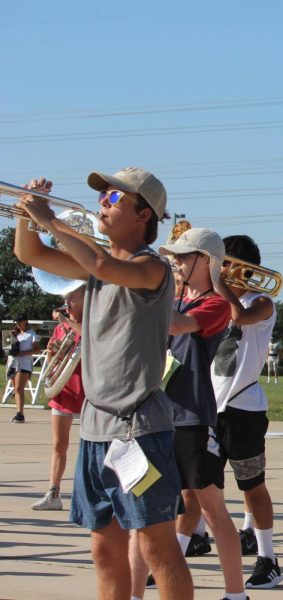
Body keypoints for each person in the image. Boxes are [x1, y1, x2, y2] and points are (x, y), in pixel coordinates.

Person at [13, 169, 193, 599]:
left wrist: (51, 221)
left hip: (139, 428)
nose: (103, 202)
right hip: (96, 427)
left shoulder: (152, 267)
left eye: (114, 196)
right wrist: (26, 211)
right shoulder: (95, 267)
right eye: (103, 195)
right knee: (103, 547)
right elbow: (29, 255)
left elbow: (102, 264)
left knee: (156, 546)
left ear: (144, 213)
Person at [130, 227, 247, 600]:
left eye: (182, 256)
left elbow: (175, 325)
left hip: (192, 419)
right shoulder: (176, 298)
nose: (176, 262)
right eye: (175, 257)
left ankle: (235, 594)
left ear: (206, 262)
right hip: (155, 417)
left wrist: (152, 285)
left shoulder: (213, 304)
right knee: (143, 516)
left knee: (214, 511)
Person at [211, 234, 283, 589]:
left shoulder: (263, 301)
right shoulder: (210, 300)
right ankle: (178, 548)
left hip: (243, 409)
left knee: (253, 487)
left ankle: (268, 557)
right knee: (195, 489)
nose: (218, 270)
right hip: (208, 408)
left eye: (224, 263)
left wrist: (219, 285)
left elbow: (239, 316)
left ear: (242, 268)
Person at [31, 286, 86, 511]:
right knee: (58, 444)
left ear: (85, 297)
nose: (68, 300)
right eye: (66, 296)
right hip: (64, 390)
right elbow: (54, 356)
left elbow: (92, 337)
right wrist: (53, 350)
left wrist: (68, 322)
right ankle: (53, 493)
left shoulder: (93, 320)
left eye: (72, 296)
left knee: (89, 446)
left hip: (88, 392)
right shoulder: (61, 328)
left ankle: (89, 495)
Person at [7, 314, 40, 423]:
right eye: (16, 322)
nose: (17, 324)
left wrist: (22, 353)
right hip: (13, 363)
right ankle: (18, 412)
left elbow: (37, 350)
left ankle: (20, 414)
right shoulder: (15, 333)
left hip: (24, 364)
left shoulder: (31, 334)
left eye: (19, 321)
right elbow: (7, 346)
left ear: (25, 321)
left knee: (18, 389)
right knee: (16, 389)